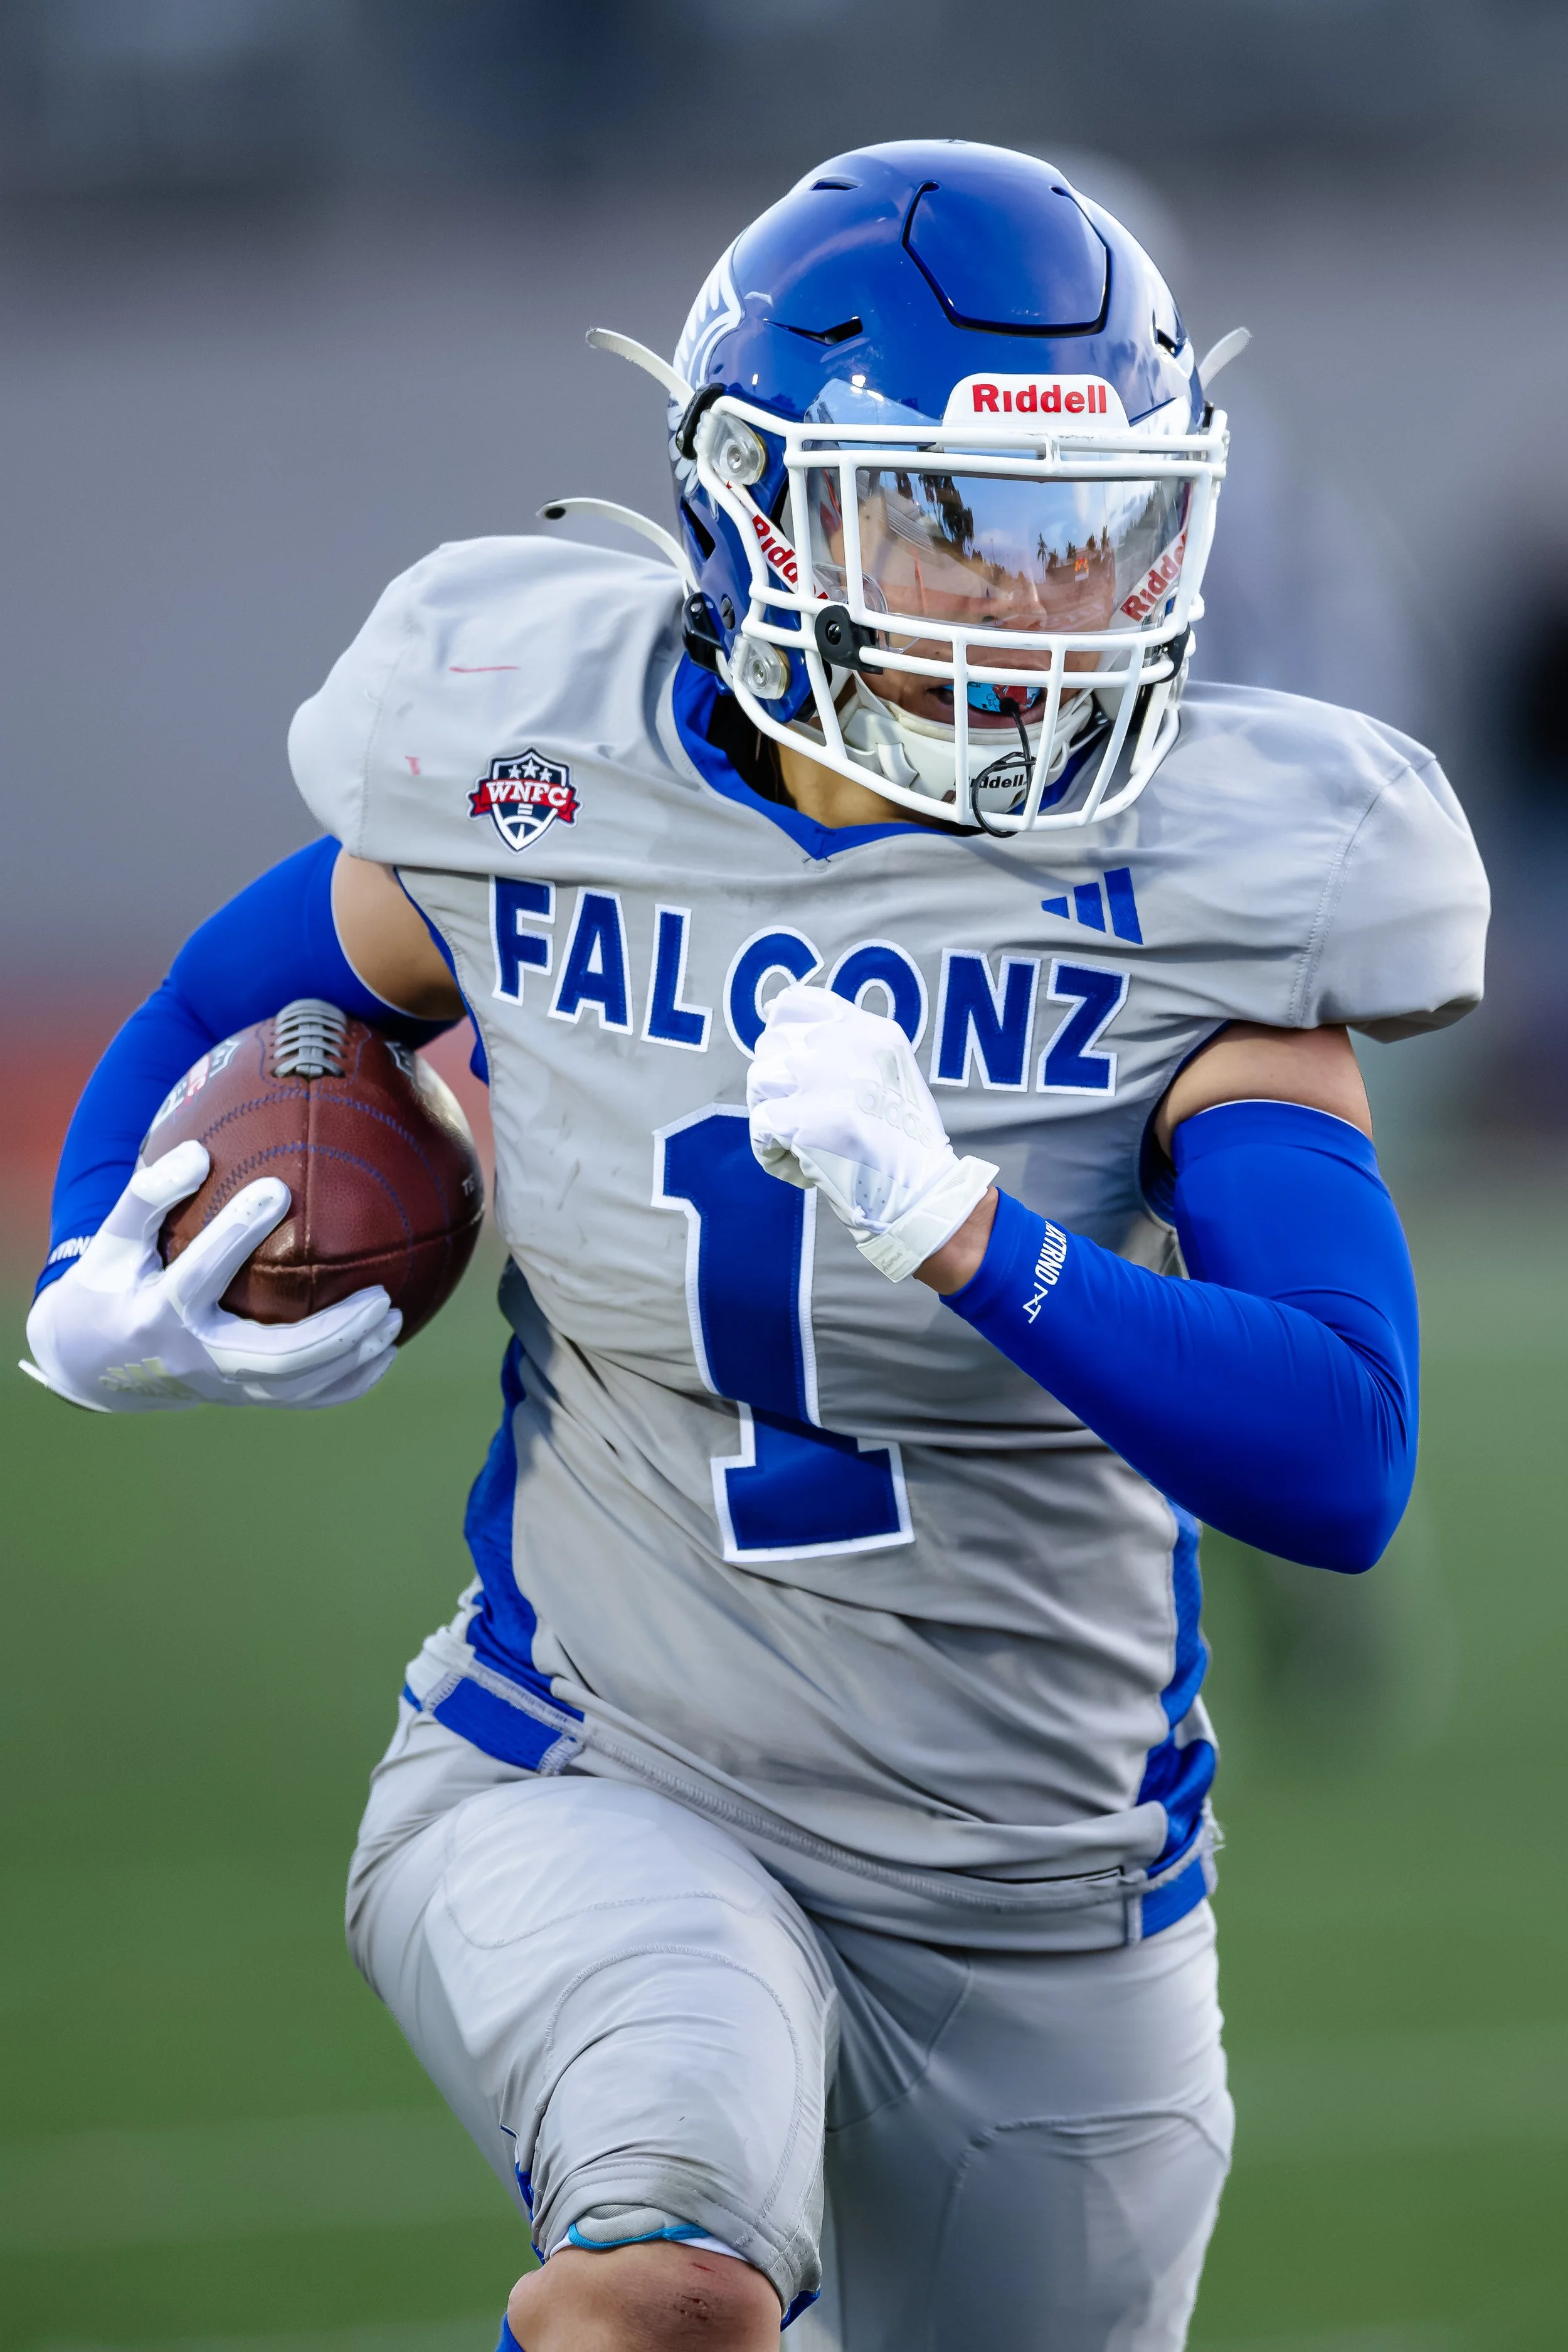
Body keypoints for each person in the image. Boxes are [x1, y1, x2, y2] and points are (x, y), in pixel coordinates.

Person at [23, 143, 1488, 2352]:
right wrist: (81, 1279)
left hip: (1045, 1911)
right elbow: (230, 1007)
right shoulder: (543, 752)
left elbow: (1342, 1452)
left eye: (1095, 529)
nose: (1042, 602)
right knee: (674, 2288)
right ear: (757, 506)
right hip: (598, 1766)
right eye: (961, 525)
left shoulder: (1225, 871)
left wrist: (966, 1233)